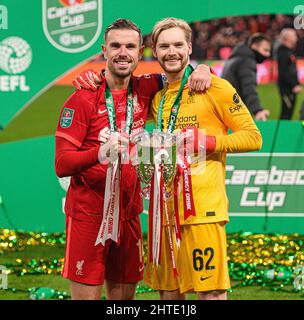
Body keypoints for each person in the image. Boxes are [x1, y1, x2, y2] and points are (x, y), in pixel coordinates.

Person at [55, 18, 211, 300]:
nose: (122, 52)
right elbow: (62, 164)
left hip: (129, 214)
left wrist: (201, 68)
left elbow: (180, 70)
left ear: (141, 53)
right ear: (104, 50)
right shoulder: (82, 98)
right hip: (89, 216)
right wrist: (99, 154)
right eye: (115, 46)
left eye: (130, 46)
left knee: (124, 299)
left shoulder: (147, 87)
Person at [144, 17, 263, 300]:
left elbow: (253, 137)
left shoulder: (215, 87)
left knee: (210, 294)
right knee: (169, 295)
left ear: (189, 47)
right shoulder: (158, 96)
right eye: (164, 46)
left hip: (203, 212)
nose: (171, 52)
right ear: (155, 51)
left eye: (177, 45)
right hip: (164, 212)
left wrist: (208, 142)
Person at [221, 33, 272, 121]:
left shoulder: (236, 57)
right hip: (234, 109)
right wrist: (258, 110)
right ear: (254, 46)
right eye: (265, 50)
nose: (268, 54)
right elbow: (249, 87)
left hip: (225, 107)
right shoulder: (247, 61)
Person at [276, 28, 302, 120]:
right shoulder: (283, 52)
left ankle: (284, 133)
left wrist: (297, 83)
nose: (296, 38)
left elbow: (291, 71)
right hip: (287, 88)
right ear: (288, 38)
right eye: (294, 35)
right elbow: (283, 72)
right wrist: (293, 85)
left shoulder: (289, 51)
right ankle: (281, 133)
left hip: (290, 88)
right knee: (286, 114)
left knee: (289, 113)